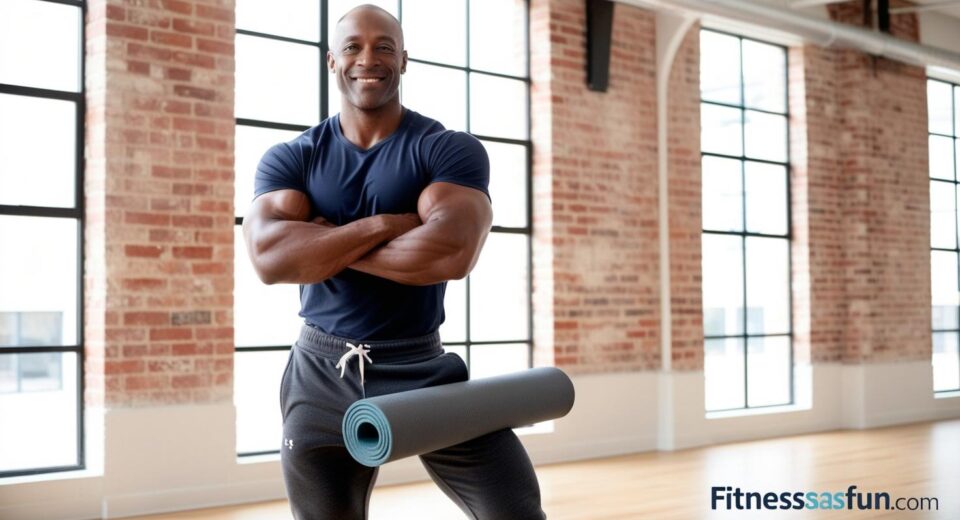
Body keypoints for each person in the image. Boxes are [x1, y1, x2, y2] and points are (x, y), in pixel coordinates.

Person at [241, 4, 547, 520]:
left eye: (384, 46)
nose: (369, 58)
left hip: (421, 369)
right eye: (353, 47)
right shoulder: (292, 157)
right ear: (332, 61)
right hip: (318, 375)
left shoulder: (446, 150)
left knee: (514, 510)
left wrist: (323, 247)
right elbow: (271, 259)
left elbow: (449, 252)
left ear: (404, 60)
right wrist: (385, 225)